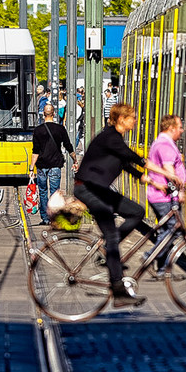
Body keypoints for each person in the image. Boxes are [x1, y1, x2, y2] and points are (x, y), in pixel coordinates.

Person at [77, 102, 158, 306]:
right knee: (112, 235)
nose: (135, 120)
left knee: (136, 212)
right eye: (132, 117)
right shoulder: (111, 136)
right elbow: (129, 155)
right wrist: (152, 167)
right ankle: (119, 291)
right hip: (88, 189)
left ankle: (107, 248)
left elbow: (123, 163)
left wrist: (144, 177)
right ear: (122, 119)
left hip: (97, 188)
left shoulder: (114, 138)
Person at [30, 103, 77, 227]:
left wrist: (31, 168)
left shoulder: (38, 130)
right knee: (54, 193)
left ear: (43, 114)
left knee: (43, 191)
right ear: (54, 113)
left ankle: (45, 218)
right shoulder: (60, 129)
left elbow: (35, 151)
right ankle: (54, 218)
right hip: (55, 165)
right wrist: (75, 158)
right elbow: (68, 145)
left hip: (41, 166)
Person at [145, 115, 186, 221]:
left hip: (163, 195)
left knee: (169, 231)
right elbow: (169, 171)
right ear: (171, 128)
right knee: (172, 230)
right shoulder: (165, 145)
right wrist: (180, 191)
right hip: (165, 196)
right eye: (180, 127)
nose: (182, 130)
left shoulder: (162, 142)